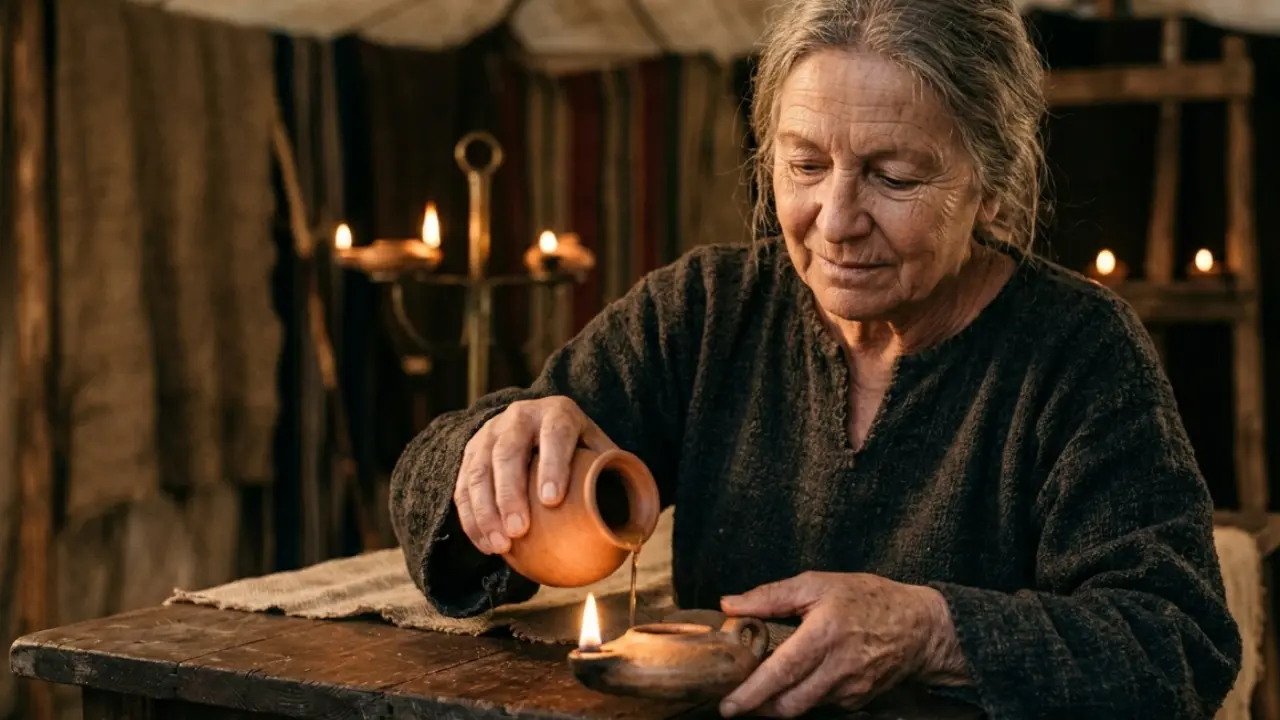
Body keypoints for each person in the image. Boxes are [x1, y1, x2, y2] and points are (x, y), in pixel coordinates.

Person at [390, 0, 1243, 716]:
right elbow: (432, 483)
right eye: (804, 164)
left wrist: (931, 631)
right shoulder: (708, 311)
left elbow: (1177, 640)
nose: (835, 220)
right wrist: (490, 452)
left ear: (991, 183)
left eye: (894, 178)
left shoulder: (1078, 353)